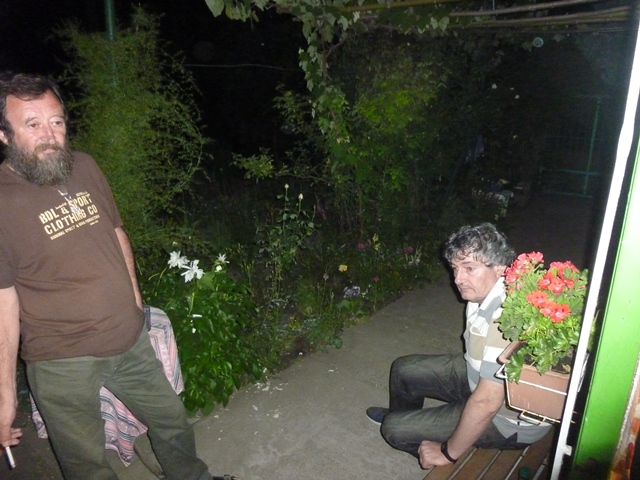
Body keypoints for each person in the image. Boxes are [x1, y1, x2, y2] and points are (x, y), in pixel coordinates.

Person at [0, 73, 239, 480]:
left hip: (129, 341)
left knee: (172, 420)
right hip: (61, 360)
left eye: (56, 122)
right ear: (5, 135)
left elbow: (116, 232)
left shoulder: (85, 166)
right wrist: (6, 395)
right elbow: (4, 300)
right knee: (86, 463)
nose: (49, 136)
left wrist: (136, 305)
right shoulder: (4, 202)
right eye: (32, 124)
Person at [366, 223, 551, 470]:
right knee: (403, 369)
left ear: (500, 268)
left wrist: (448, 453)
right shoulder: (483, 292)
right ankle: (407, 419)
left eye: (469, 268)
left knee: (394, 430)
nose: (457, 279)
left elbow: (487, 403)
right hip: (480, 378)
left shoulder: (507, 318)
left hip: (506, 420)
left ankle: (430, 445)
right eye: (455, 268)